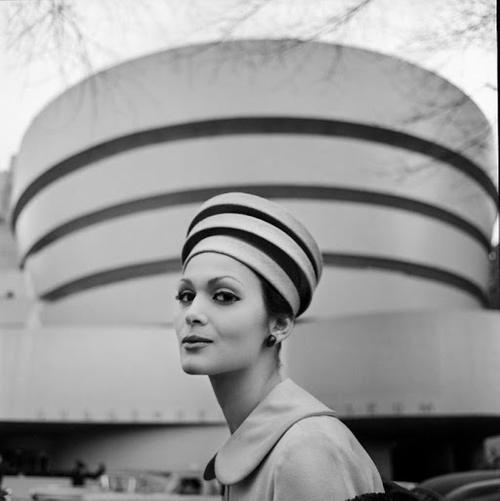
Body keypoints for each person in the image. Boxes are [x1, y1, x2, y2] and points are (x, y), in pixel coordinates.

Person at [174, 192, 384, 501]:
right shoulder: (276, 443)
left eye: (224, 296)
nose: (192, 313)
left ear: (280, 324)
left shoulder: (305, 450)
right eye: (186, 296)